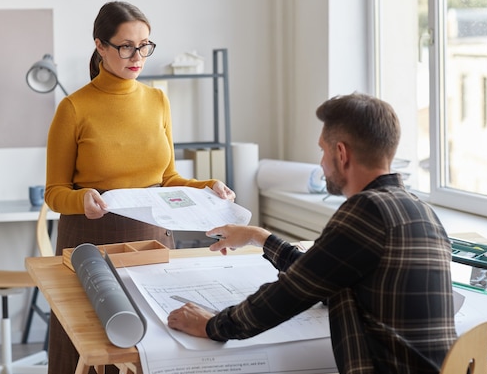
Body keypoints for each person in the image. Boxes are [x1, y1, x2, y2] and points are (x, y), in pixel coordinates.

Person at [168, 93, 457, 374]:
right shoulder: (421, 211)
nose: (321, 162)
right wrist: (259, 237)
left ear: (341, 153)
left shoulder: (367, 211)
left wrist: (212, 326)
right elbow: (318, 275)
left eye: (322, 149)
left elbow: (291, 292)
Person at [44, 1, 235, 374]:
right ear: (100, 46)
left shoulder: (158, 100)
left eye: (145, 45)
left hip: (151, 240)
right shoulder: (73, 108)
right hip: (89, 243)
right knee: (92, 349)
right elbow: (54, 193)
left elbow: (167, 179)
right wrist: (83, 199)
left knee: (153, 347)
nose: (138, 56)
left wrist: (207, 186)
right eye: (126, 46)